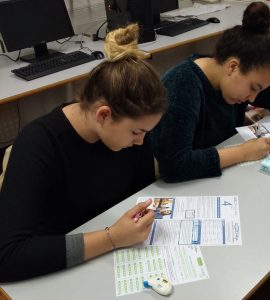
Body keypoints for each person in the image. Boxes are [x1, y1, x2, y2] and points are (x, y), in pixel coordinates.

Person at [151, 2, 270, 278]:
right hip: (185, 188)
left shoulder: (234, 81)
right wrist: (243, 152)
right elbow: (174, 165)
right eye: (253, 88)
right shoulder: (183, 85)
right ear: (232, 66)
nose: (253, 99)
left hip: (221, 175)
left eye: (259, 90)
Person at [0, 24, 166, 282]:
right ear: (103, 115)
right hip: (55, 271)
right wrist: (112, 238)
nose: (142, 142)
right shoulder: (38, 144)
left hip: (113, 260)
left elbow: (140, 194)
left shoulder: (130, 131)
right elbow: (7, 257)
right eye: (136, 132)